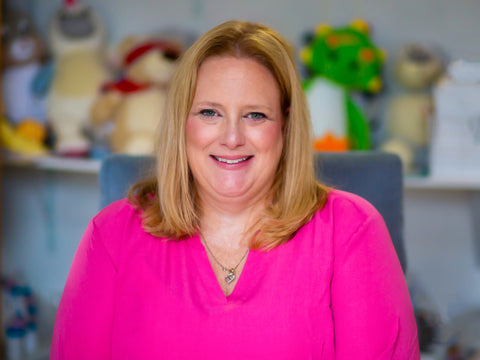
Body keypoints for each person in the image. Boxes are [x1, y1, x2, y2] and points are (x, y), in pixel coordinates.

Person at [50, 20, 420, 359]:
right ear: (181, 121)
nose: (231, 137)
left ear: (285, 127)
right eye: (210, 112)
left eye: (255, 115)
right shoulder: (112, 235)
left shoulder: (351, 230)